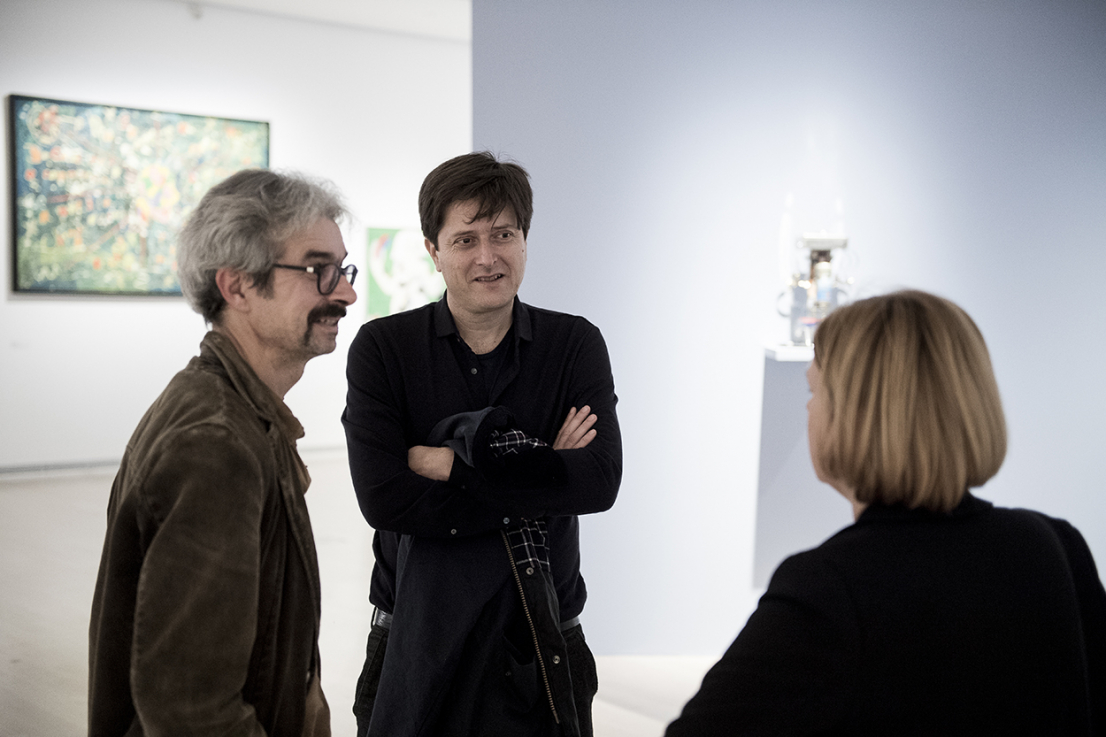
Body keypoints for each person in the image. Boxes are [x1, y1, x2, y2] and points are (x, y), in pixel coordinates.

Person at [667, 290, 1106, 736]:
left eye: (814, 391)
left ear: (857, 414)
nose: (808, 407)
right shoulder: (1054, 545)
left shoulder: (829, 588)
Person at [343, 151, 622, 736]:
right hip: (411, 636)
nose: (488, 257)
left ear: (525, 240)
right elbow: (385, 498)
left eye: (503, 235)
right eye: (465, 240)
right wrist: (544, 468)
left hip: (544, 634)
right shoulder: (384, 349)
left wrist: (453, 467)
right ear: (433, 250)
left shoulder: (573, 345)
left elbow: (599, 482)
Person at [88, 169, 358, 737]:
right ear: (236, 287)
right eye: (319, 270)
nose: (346, 293)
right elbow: (191, 709)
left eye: (343, 269)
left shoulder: (243, 416)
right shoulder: (216, 443)